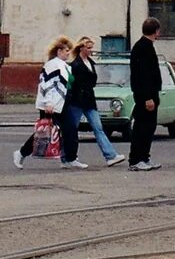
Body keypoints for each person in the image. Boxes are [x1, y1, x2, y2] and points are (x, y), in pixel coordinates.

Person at [14, 36, 86, 169]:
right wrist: (48, 103)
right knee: (44, 132)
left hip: (62, 104)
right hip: (51, 106)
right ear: (59, 51)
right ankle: (21, 153)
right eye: (66, 51)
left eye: (69, 51)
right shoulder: (52, 65)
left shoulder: (64, 66)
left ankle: (70, 158)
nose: (68, 53)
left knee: (70, 130)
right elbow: (46, 85)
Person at [66, 37, 125, 167]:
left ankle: (110, 155)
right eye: (88, 48)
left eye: (91, 47)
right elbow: (74, 83)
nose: (91, 50)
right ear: (81, 48)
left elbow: (92, 82)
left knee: (98, 128)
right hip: (77, 101)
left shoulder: (91, 63)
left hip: (89, 101)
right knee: (71, 129)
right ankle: (66, 157)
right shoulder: (75, 65)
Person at [128, 17, 163, 171]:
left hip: (150, 94)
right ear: (156, 31)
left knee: (149, 128)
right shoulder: (142, 47)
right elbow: (142, 75)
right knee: (142, 128)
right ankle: (136, 159)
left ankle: (144, 157)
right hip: (145, 96)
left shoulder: (147, 46)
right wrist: (147, 97)